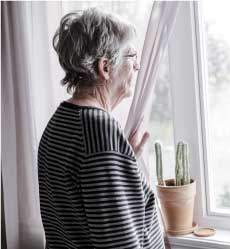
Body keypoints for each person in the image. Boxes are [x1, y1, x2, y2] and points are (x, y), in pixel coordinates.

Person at [38, 8, 166, 248]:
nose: (137, 66)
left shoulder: (59, 121)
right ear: (105, 67)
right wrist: (112, 152)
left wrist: (123, 161)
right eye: (131, 56)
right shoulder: (98, 130)